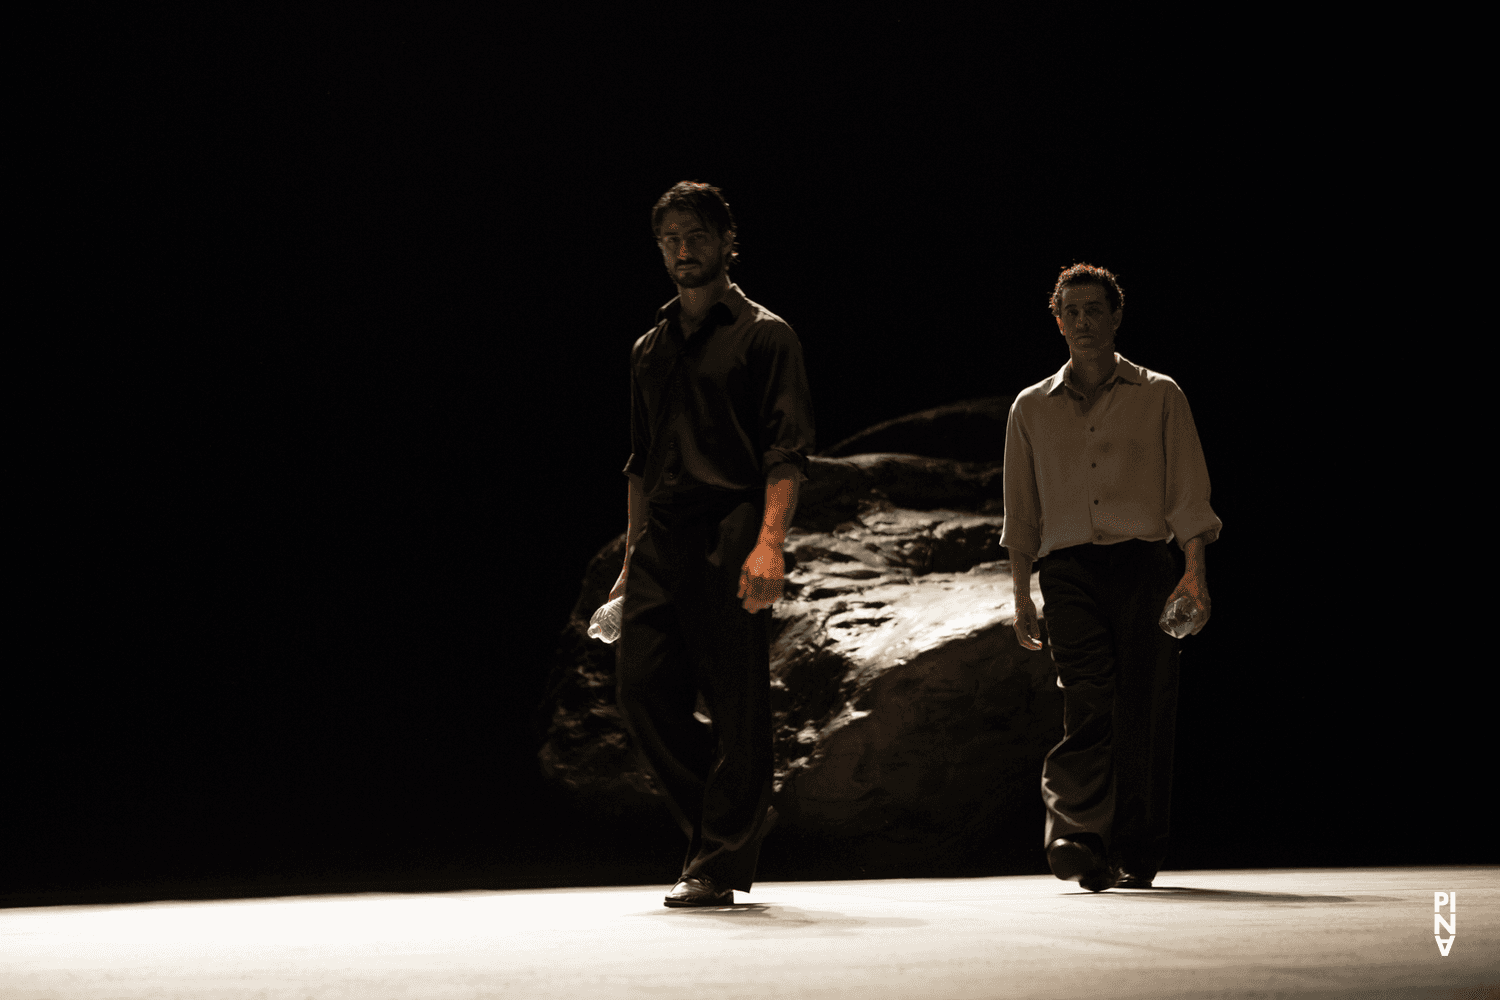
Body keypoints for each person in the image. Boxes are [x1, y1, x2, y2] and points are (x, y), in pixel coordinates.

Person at [609, 181, 815, 907]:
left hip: (733, 527)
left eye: (695, 235)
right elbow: (640, 461)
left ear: (729, 239)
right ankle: (733, 818)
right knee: (641, 689)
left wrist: (770, 544)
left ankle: (718, 860)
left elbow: (786, 451)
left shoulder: (766, 333)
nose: (682, 251)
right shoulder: (649, 346)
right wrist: (631, 561)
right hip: (663, 536)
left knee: (737, 701)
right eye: (668, 239)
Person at [1000, 263, 1220, 892]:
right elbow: (1022, 513)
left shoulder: (1160, 394)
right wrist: (1021, 596)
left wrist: (1194, 575)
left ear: (1116, 316)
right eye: (1072, 311)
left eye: (1095, 310)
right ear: (1057, 319)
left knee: (1146, 707)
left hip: (1145, 565)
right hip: (1069, 570)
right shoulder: (1030, 407)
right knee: (1088, 697)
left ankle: (1134, 851)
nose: (1084, 322)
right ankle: (1076, 833)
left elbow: (1188, 494)